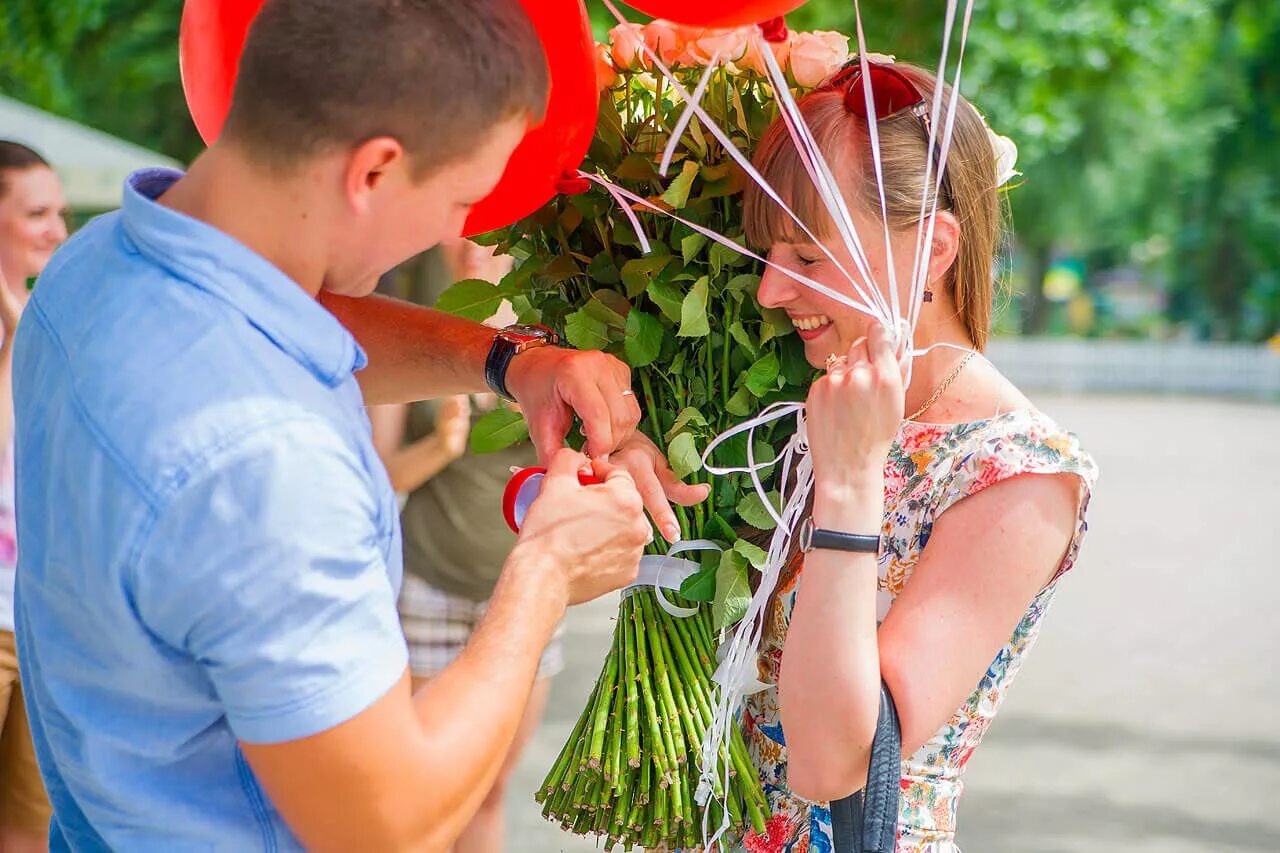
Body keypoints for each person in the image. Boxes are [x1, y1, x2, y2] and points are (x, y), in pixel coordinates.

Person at [10, 2, 704, 850]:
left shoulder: (96, 262)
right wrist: (547, 571)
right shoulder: (266, 463)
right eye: (462, 197)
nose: (461, 228)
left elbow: (292, 318)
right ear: (373, 171)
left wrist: (508, 361)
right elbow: (386, 821)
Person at [731, 58, 1098, 851]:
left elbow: (834, 761)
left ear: (932, 247)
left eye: (805, 256)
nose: (768, 291)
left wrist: (852, 482)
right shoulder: (808, 398)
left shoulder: (1019, 470)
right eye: (767, 254)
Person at [369, 239, 551, 853]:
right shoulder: (407, 314)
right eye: (463, 227)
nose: (475, 244)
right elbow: (379, 474)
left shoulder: (549, 315)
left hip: (522, 590)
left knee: (491, 791)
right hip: (430, 586)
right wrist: (440, 448)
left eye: (492, 228)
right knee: (426, 801)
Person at [0, 140, 65, 853]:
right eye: (37, 212)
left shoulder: (61, 323)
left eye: (60, 211)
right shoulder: (31, 331)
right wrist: (18, 333)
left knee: (33, 826)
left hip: (44, 612)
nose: (58, 229)